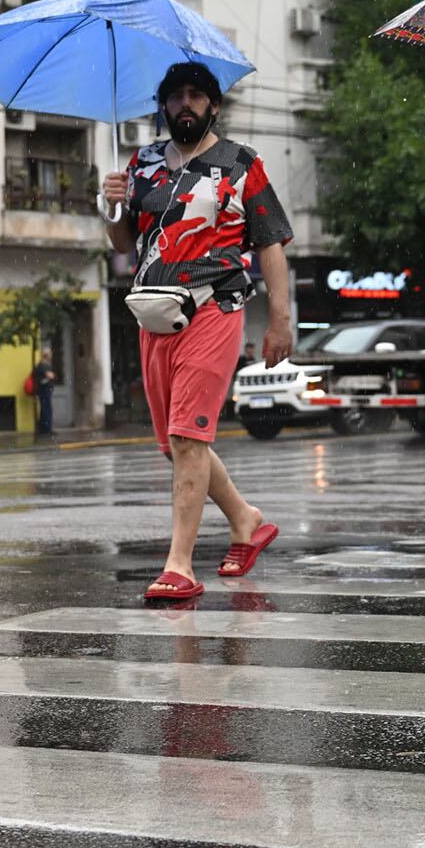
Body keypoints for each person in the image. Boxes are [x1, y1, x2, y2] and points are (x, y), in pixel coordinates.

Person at [102, 62, 292, 602]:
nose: (185, 104)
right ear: (162, 107)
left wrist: (280, 321)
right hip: (153, 313)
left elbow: (271, 243)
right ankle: (245, 519)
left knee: (189, 438)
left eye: (196, 96)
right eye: (175, 97)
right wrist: (112, 204)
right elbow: (122, 245)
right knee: (175, 444)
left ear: (213, 105)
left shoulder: (240, 163)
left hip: (216, 306)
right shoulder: (141, 165)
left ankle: (179, 564)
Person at [32, 346, 58, 435]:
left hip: (45, 390)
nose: (51, 355)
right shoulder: (43, 365)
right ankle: (46, 430)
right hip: (44, 390)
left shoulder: (44, 364)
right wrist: (52, 376)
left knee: (45, 409)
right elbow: (51, 375)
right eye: (50, 354)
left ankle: (45, 429)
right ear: (46, 355)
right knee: (46, 409)